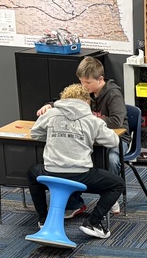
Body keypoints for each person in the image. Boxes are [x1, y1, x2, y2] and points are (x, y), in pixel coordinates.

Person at [28, 83, 123, 240]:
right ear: (86, 102)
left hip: (51, 171)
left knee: (32, 173)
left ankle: (43, 219)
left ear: (64, 98)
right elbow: (114, 141)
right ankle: (93, 222)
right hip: (80, 174)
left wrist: (55, 136)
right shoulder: (92, 120)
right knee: (117, 184)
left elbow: (35, 134)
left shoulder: (51, 114)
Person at [37, 56, 128, 218]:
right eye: (81, 82)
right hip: (87, 138)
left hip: (117, 138)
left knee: (112, 159)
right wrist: (49, 105)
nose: (83, 86)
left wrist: (89, 121)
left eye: (87, 83)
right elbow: (65, 103)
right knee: (69, 158)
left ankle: (111, 196)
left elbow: (116, 121)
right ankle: (75, 203)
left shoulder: (113, 94)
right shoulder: (84, 92)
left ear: (100, 80)